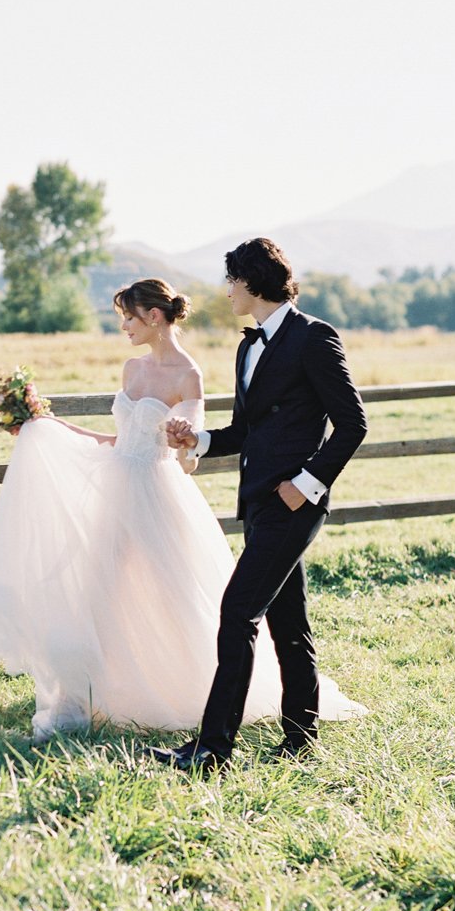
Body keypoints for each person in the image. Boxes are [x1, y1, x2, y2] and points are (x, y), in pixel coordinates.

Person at [0, 274, 365, 743]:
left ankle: (200, 699)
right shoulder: (132, 370)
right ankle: (81, 698)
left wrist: (186, 441)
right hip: (117, 491)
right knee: (97, 594)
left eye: (128, 318)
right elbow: (119, 441)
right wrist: (48, 427)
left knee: (180, 601)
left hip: (157, 497)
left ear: (154, 317)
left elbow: (189, 454)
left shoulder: (189, 374)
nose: (124, 328)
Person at [149, 238, 368, 774]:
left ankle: (212, 749)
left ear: (252, 281)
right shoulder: (247, 348)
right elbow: (247, 432)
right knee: (288, 623)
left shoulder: (314, 338)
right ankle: (300, 740)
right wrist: (194, 441)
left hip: (295, 504)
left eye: (231, 280)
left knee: (237, 613)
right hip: (258, 503)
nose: (226, 290)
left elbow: (353, 424)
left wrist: (307, 482)